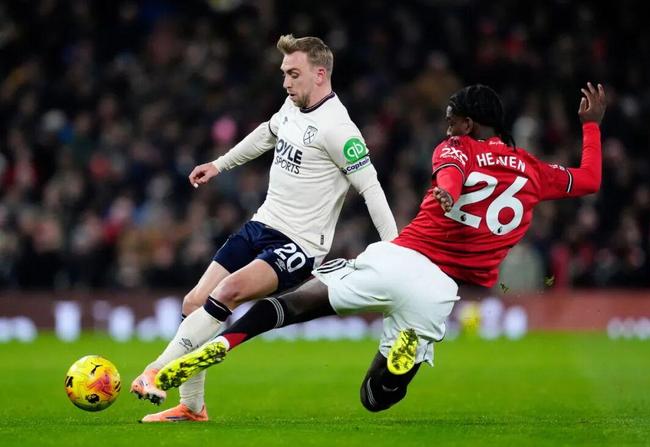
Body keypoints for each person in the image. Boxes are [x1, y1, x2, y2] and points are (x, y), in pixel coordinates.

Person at [153, 83, 606, 413]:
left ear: (467, 123)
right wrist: (590, 127)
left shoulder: (457, 147)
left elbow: (452, 172)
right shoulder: (534, 170)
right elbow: (589, 180)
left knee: (290, 305)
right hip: (438, 292)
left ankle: (226, 342)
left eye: (451, 119)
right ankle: (398, 363)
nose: (447, 127)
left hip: (398, 258)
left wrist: (449, 192)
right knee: (376, 398)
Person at [131, 34, 398, 422]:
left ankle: (156, 370)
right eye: (284, 74)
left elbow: (371, 188)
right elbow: (267, 133)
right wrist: (219, 164)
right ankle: (192, 406)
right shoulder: (292, 106)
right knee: (193, 304)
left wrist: (394, 249)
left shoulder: (339, 130)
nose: (285, 82)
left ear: (320, 74)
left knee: (228, 292)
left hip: (299, 244)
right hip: (262, 224)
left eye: (293, 74)